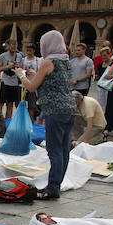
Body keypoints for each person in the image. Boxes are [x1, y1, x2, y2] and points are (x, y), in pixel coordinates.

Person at [17, 30, 76, 200]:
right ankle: (56, 185)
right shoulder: (65, 61)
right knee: (64, 150)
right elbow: (54, 82)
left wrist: (21, 75)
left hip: (55, 110)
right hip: (70, 109)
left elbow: (31, 87)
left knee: (54, 150)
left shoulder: (47, 62)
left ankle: (52, 189)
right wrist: (37, 76)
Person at [0, 38, 23, 119]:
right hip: (5, 81)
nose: (13, 46)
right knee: (1, 103)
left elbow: (22, 68)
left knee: (10, 104)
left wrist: (18, 67)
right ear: (7, 46)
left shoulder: (19, 56)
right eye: (11, 44)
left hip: (15, 82)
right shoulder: (3, 56)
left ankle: (8, 121)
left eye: (15, 44)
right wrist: (8, 66)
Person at [21, 43, 42, 122]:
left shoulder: (38, 60)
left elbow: (39, 71)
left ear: (33, 51)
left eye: (30, 50)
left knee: (31, 105)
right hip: (23, 84)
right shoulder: (23, 60)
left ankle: (31, 121)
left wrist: (34, 73)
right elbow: (21, 69)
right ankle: (23, 120)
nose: (28, 51)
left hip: (33, 84)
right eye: (27, 50)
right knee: (21, 104)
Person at [94, 47, 113, 111]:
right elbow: (99, 74)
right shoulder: (100, 64)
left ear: (109, 54)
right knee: (101, 102)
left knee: (108, 102)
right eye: (102, 56)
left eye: (105, 55)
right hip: (101, 86)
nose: (103, 57)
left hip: (109, 86)